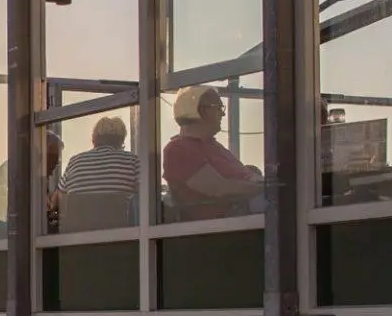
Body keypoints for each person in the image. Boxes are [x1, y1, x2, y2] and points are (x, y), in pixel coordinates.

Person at [163, 86, 262, 220]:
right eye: (218, 107)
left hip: (246, 212)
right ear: (201, 110)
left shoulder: (215, 147)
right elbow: (218, 189)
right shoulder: (179, 149)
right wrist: (265, 188)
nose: (223, 114)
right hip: (224, 223)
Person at [61, 116, 141, 196]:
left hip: (81, 209)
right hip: (119, 209)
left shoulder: (74, 162)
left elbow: (58, 198)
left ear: (94, 140)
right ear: (121, 142)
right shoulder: (133, 161)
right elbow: (147, 195)